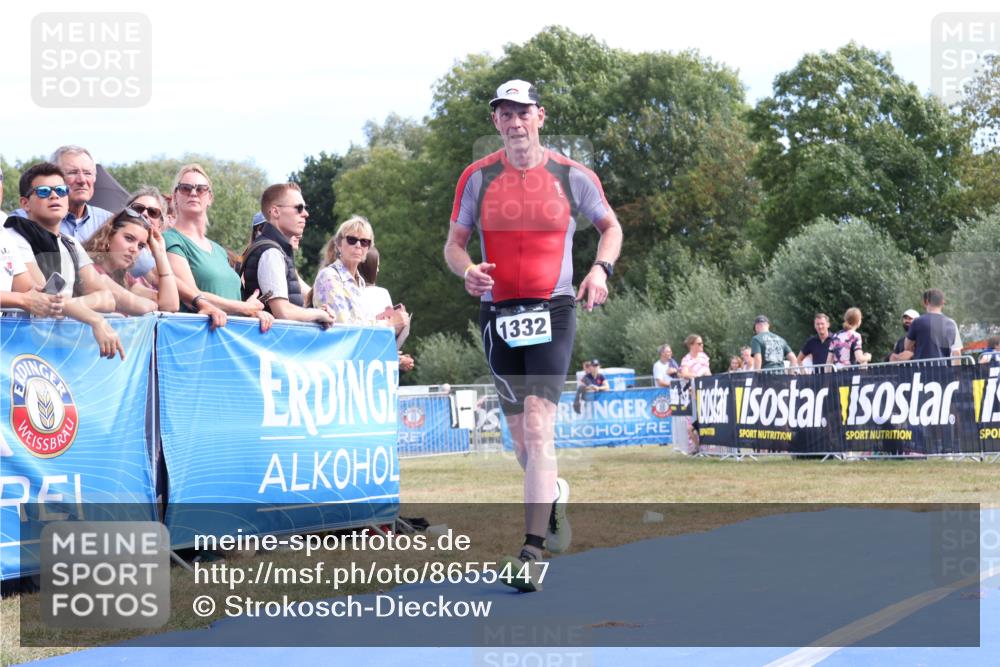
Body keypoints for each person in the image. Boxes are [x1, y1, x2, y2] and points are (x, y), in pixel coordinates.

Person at [443, 78, 623, 590]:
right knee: (522, 439)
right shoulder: (476, 178)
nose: (515, 121)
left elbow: (610, 226)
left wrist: (599, 271)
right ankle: (554, 496)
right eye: (505, 113)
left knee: (540, 428)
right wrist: (467, 269)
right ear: (496, 122)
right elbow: (455, 244)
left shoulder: (572, 176)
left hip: (554, 307)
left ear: (540, 116)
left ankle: (530, 553)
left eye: (523, 112)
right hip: (497, 312)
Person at [1, 162, 123, 359]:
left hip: (61, 351)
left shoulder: (70, 242)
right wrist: (94, 318)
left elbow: (107, 298)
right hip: (21, 350)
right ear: (24, 203)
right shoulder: (13, 235)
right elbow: (43, 296)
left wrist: (70, 306)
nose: (54, 196)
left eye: (61, 190)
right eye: (42, 191)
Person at [164, 164, 271, 331]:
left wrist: (252, 312)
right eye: (185, 188)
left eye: (201, 189)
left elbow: (231, 302)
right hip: (196, 339)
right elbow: (192, 295)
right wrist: (242, 307)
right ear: (174, 196)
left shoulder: (219, 251)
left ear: (210, 198)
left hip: (231, 340)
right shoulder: (170, 239)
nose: (193, 193)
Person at [240, 183, 334, 327]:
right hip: (272, 345)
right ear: (275, 212)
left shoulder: (275, 249)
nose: (306, 214)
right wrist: (319, 314)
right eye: (299, 208)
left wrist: (314, 313)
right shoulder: (271, 252)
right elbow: (283, 312)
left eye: (305, 208)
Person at [312, 216, 410, 336]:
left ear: (368, 248)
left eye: (364, 242)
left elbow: (359, 323)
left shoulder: (360, 282)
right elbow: (342, 325)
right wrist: (388, 324)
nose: (358, 245)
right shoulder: (329, 276)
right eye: (352, 240)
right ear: (338, 245)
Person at [83, 207, 180, 314]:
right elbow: (141, 306)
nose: (134, 249)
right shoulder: (88, 267)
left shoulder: (123, 276)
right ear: (109, 235)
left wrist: (160, 253)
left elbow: (171, 305)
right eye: (129, 238)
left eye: (140, 246)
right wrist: (154, 305)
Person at [357, 244, 414, 371]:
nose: (378, 270)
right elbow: (385, 335)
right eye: (376, 266)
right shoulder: (381, 293)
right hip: (376, 363)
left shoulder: (349, 294)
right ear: (370, 268)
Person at [905, 288, 962, 362]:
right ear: (942, 302)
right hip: (943, 370)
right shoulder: (951, 323)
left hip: (922, 369)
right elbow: (956, 352)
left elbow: (907, 347)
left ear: (926, 301)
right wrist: (957, 373)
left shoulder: (917, 322)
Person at [679, 334, 711, 454]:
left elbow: (708, 372)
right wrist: (698, 377)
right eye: (699, 343)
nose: (702, 345)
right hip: (693, 395)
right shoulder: (686, 359)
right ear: (691, 345)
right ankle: (696, 447)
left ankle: (706, 447)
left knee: (705, 420)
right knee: (691, 423)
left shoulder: (704, 357)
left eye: (702, 343)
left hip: (705, 393)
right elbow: (685, 373)